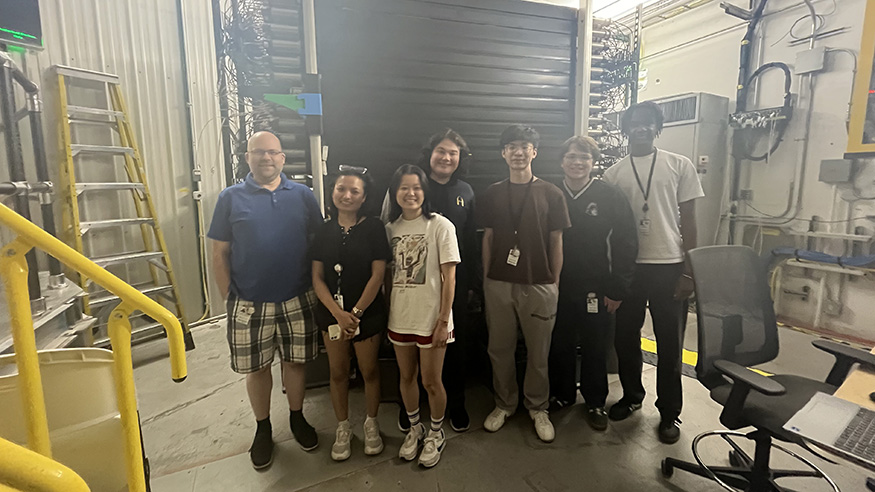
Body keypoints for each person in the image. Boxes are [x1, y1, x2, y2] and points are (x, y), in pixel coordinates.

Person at [208, 131, 323, 469]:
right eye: (259, 152)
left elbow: (318, 244)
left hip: (297, 297)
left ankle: (297, 417)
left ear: (282, 158)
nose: (266, 158)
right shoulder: (230, 198)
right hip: (249, 301)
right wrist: (229, 295)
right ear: (248, 158)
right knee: (256, 368)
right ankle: (263, 428)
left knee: (296, 362)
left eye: (273, 152)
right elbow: (219, 253)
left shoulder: (303, 195)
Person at [602, 101, 704, 444]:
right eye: (635, 123)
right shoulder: (613, 174)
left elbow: (689, 220)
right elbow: (610, 229)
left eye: (648, 123)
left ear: (657, 128)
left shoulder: (679, 165)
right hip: (630, 269)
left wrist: (690, 271)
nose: (641, 128)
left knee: (670, 343)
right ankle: (632, 397)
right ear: (626, 128)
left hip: (670, 266)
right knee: (626, 338)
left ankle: (669, 412)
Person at [476, 124, 570, 443]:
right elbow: (487, 238)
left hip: (540, 284)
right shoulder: (491, 193)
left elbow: (557, 241)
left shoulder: (552, 193)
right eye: (512, 146)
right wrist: (488, 279)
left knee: (538, 351)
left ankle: (537, 407)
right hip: (499, 284)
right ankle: (504, 404)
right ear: (503, 153)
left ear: (534, 152)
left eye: (524, 146)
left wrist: (553, 282)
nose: (518, 152)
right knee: (499, 348)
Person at [381, 129, 477, 433]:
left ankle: (456, 404)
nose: (446, 157)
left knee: (453, 350)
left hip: (452, 284)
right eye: (441, 151)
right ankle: (410, 410)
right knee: (409, 361)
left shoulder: (466, 191)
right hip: (411, 291)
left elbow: (472, 244)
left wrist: (472, 284)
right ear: (430, 154)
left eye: (453, 153)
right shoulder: (415, 185)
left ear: (459, 159)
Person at [547, 136, 638, 431]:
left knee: (595, 346)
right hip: (556, 285)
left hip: (597, 287)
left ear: (593, 163)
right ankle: (561, 394)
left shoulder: (609, 195)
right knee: (558, 343)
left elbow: (626, 243)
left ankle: (595, 401)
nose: (577, 162)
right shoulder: (549, 193)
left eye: (584, 158)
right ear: (562, 161)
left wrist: (617, 289)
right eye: (571, 156)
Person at [312, 168, 391, 461]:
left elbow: (378, 275)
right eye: (341, 189)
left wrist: (354, 314)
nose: (346, 196)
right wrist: (338, 314)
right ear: (332, 193)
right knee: (338, 372)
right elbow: (317, 278)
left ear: (364, 196)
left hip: (366, 315)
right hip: (332, 315)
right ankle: (342, 428)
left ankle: (371, 424)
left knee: (369, 371)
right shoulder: (323, 229)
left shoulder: (373, 228)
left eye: (354, 191)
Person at [385, 164, 460, 468]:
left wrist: (443, 321)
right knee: (406, 378)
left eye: (416, 187)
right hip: (399, 316)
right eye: (404, 187)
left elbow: (450, 278)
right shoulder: (390, 228)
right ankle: (415, 429)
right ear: (395, 193)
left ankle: (436, 433)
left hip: (432, 319)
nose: (410, 193)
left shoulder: (440, 226)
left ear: (424, 191)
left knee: (432, 381)